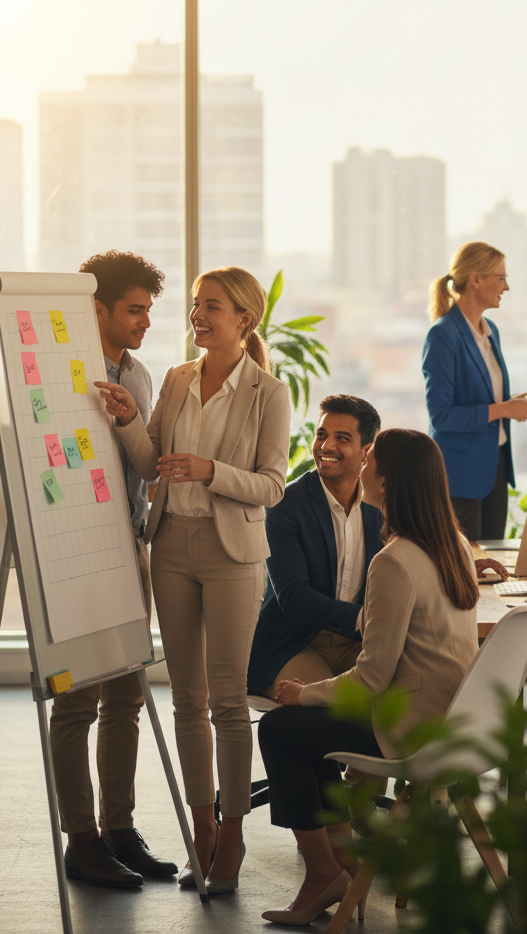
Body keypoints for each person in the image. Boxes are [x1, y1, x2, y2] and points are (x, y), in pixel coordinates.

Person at [94, 266, 290, 895]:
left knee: (230, 703)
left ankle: (232, 837)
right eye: (196, 305)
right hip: (171, 544)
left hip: (232, 552)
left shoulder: (268, 393)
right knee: (187, 700)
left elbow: (273, 484)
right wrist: (127, 419)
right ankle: (200, 834)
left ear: (244, 318)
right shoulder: (177, 379)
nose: (197, 316)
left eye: (211, 306)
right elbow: (152, 464)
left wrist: (212, 470)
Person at [256, 429, 480, 924]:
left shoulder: (395, 561)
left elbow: (371, 678)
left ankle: (322, 873)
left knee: (280, 728)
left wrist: (303, 693)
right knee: (308, 728)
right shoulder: (455, 545)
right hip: (455, 722)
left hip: (410, 727)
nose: (362, 467)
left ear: (388, 479)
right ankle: (341, 863)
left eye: (370, 459)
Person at [49, 251, 176, 889]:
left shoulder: (143, 375)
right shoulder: (60, 374)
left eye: (149, 310)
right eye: (135, 310)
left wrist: (131, 422)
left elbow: (148, 466)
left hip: (129, 543)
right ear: (96, 310)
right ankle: (83, 840)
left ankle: (119, 829)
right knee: (77, 701)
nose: (145, 321)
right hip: (72, 549)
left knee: (128, 694)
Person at [246, 391, 509, 698]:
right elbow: (293, 597)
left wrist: (449, 565)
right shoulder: (285, 504)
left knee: (397, 699)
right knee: (329, 711)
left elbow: (405, 562)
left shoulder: (379, 500)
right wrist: (365, 619)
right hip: (300, 643)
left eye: (342, 438)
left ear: (366, 452)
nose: (326, 446)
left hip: (361, 642)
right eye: (322, 435)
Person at [423, 241, 527, 541]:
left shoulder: (491, 331)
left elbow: (484, 399)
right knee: (467, 568)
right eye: (500, 278)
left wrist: (509, 405)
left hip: (495, 465)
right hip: (460, 473)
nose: (506, 286)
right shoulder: (443, 335)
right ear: (475, 279)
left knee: (494, 563)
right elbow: (441, 416)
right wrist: (502, 410)